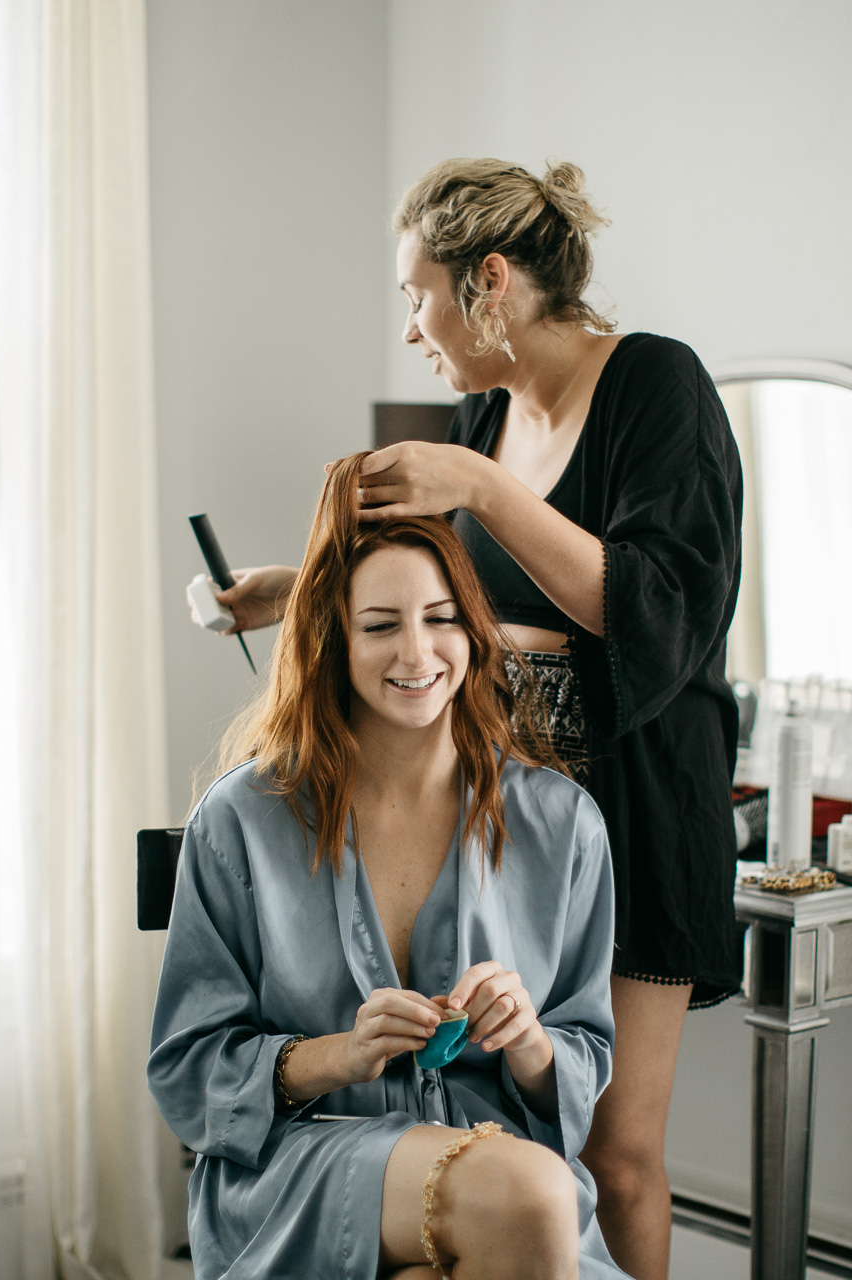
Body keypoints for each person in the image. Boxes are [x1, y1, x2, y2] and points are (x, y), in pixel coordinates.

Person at [217, 159, 744, 1280]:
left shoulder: (657, 389)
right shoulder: (485, 417)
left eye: (420, 294)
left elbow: (657, 613)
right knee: (511, 1128)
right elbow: (459, 600)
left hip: (641, 815)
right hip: (513, 824)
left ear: (490, 281)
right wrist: (294, 585)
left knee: (615, 1147)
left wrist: (483, 485)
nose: (412, 325)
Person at [148, 454, 631, 1280]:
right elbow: (189, 1073)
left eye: (442, 618)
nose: (417, 652)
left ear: (474, 633)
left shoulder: (563, 824)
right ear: (335, 638)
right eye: (380, 626)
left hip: (507, 1181)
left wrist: (529, 1044)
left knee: (499, 1220)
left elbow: (583, 1050)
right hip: (304, 1168)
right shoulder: (242, 820)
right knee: (529, 1196)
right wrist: (343, 1052)